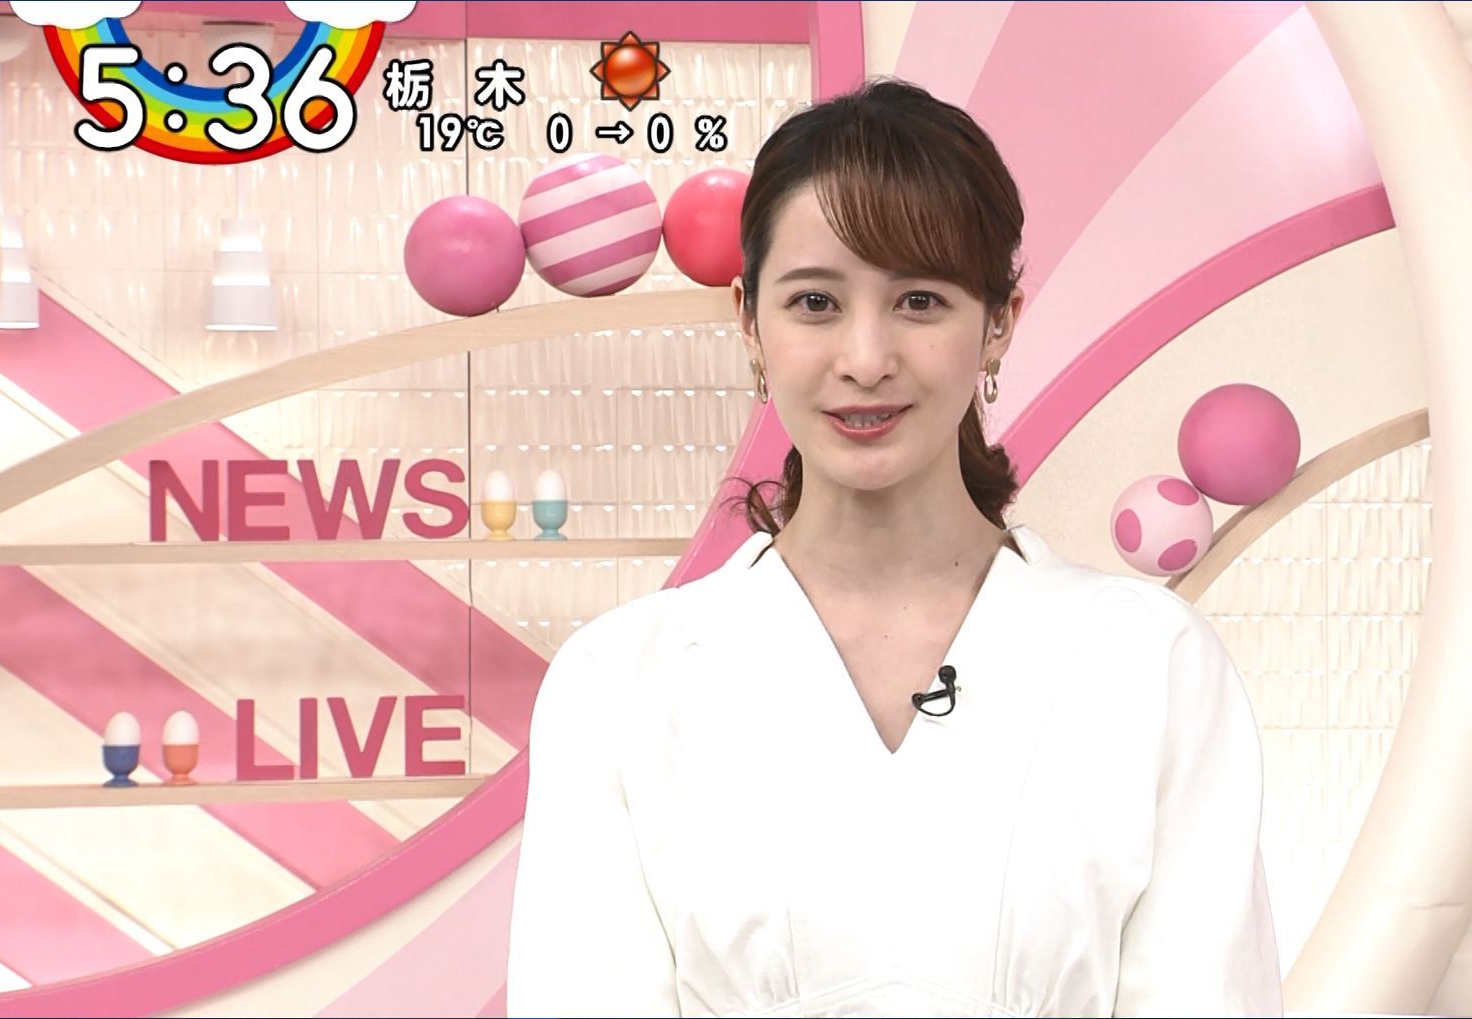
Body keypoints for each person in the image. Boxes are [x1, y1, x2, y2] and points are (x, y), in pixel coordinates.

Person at [507, 78, 1282, 1018]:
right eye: (815, 302)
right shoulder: (620, 680)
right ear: (749, 322)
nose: (866, 358)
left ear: (999, 322)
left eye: (919, 300)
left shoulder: (1151, 662)